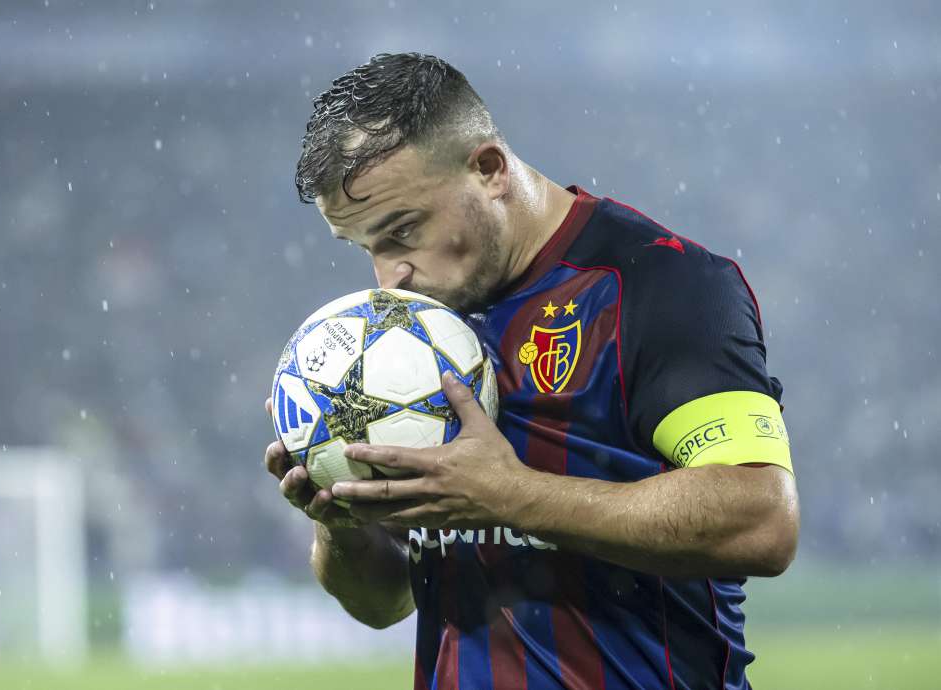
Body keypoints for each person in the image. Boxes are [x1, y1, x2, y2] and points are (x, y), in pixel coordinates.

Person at [264, 52, 799, 690]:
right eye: (364, 248)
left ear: (489, 169)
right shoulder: (412, 338)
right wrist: (338, 521)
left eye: (402, 232)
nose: (389, 277)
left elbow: (761, 518)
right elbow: (383, 604)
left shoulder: (662, 284)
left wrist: (512, 496)